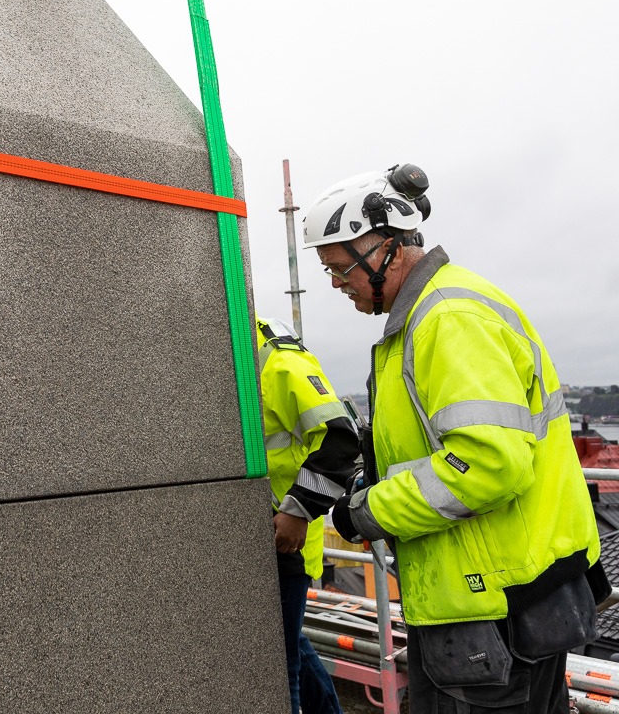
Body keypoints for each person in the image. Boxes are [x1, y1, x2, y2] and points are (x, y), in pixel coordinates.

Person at [303, 164, 608, 713]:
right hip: (522, 597)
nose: (335, 283)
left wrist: (366, 510)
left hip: (489, 610)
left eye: (340, 267)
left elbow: (488, 464)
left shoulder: (447, 318)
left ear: (387, 248)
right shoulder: (435, 312)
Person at [258, 316, 358, 714]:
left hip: (284, 543)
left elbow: (340, 440)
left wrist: (297, 511)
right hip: (262, 538)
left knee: (281, 671)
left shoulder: (279, 363)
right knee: (288, 649)